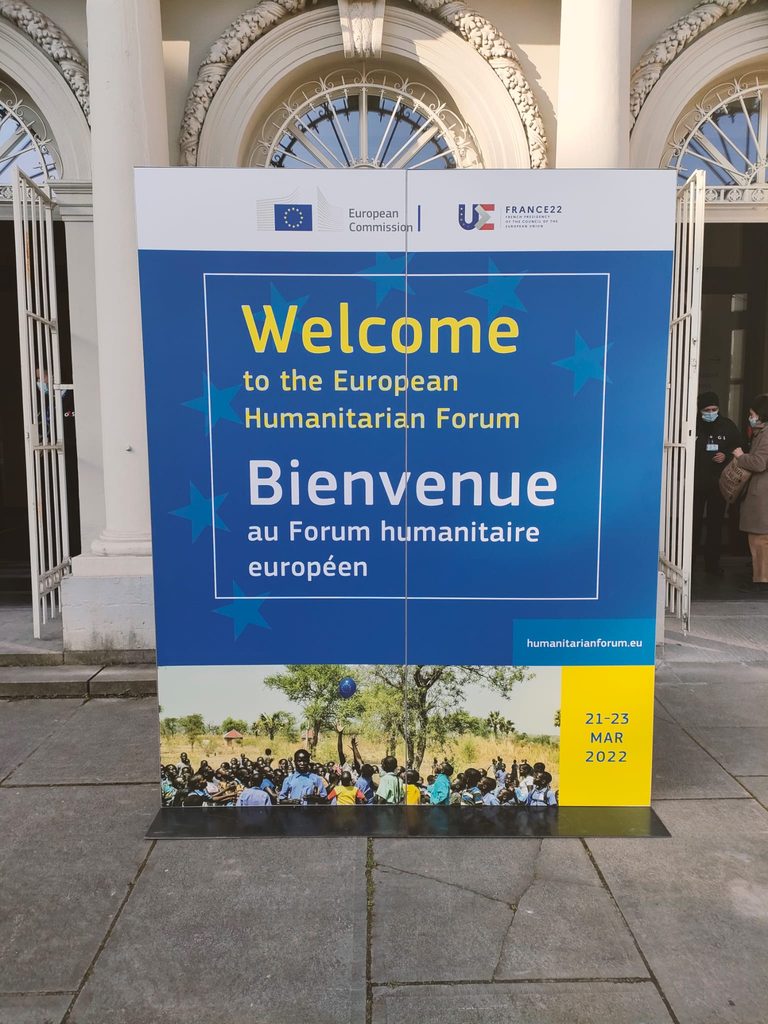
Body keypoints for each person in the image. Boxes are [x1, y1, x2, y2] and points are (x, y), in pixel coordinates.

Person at [694, 391, 742, 574]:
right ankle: (688, 564)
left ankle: (712, 565)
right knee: (693, 524)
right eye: (707, 410)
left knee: (715, 525)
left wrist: (727, 455)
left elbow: (740, 449)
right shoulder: (693, 424)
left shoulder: (727, 426)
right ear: (700, 410)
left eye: (714, 409)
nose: (711, 412)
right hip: (696, 484)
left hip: (719, 484)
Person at [732, 395, 768, 593]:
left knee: (760, 540)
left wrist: (741, 457)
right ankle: (759, 578)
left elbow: (759, 463)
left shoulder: (766, 435)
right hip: (760, 494)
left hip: (763, 495)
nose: (750, 418)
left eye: (753, 414)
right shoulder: (761, 432)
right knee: (759, 540)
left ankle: (762, 582)